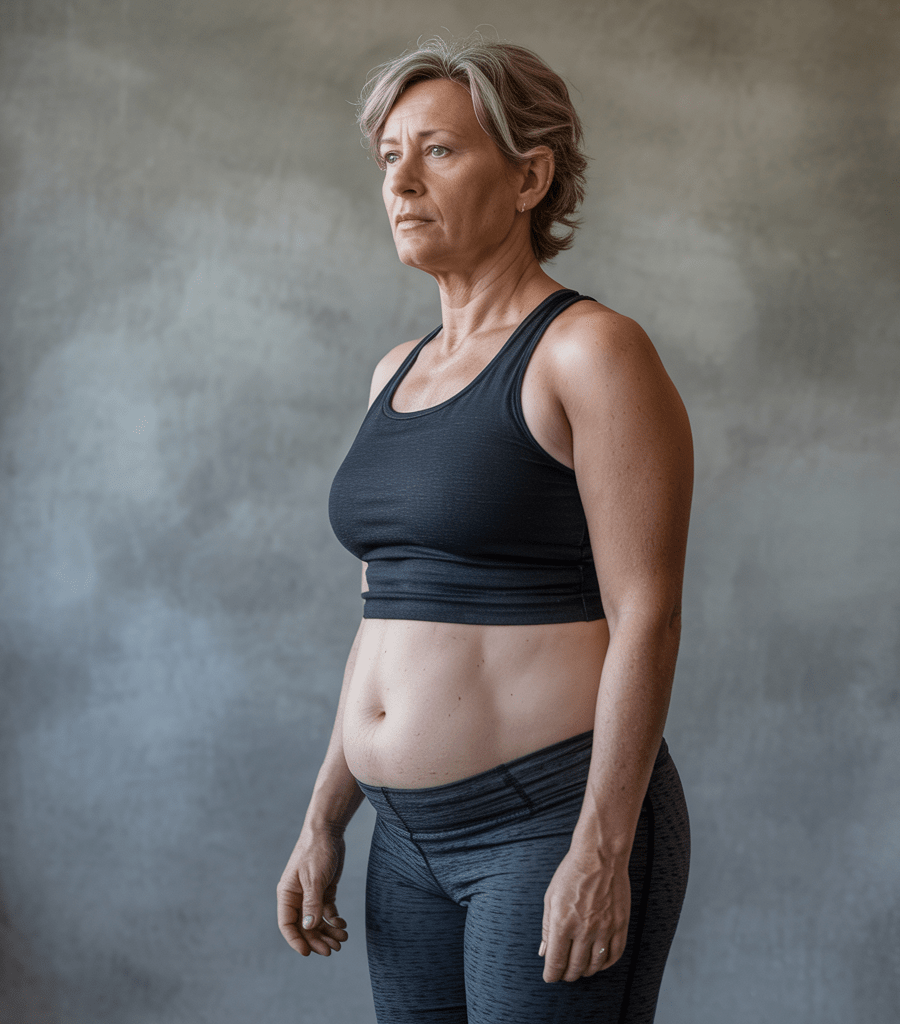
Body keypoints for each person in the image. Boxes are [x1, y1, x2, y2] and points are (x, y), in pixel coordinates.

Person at [277, 36, 693, 1024]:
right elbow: (383, 619)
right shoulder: (393, 372)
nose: (401, 181)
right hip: (404, 841)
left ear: (529, 178)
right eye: (390, 156)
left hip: (545, 825)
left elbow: (648, 614)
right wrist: (325, 817)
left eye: (439, 151)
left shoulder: (590, 352)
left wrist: (601, 846)